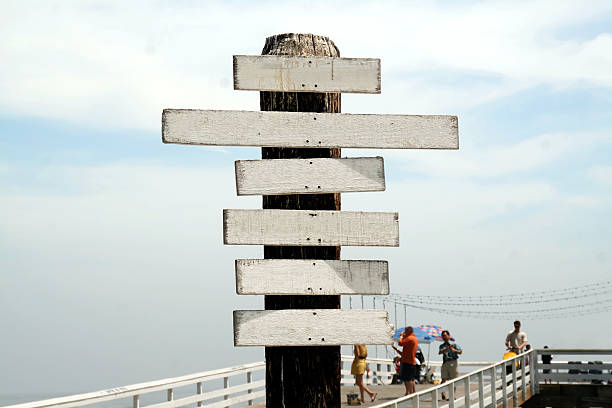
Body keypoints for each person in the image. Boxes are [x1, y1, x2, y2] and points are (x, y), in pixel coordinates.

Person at [438, 330, 462, 401]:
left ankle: (452, 395)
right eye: (443, 336)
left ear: (449, 336)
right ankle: (443, 393)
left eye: (445, 335)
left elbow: (460, 351)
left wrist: (454, 350)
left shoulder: (454, 344)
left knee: (453, 379)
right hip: (445, 362)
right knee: (443, 378)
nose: (444, 337)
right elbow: (440, 352)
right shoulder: (442, 346)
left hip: (453, 362)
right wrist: (447, 348)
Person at [394, 326, 418, 395]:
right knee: (411, 378)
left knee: (407, 379)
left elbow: (400, 343)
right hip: (412, 361)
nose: (404, 333)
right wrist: (397, 350)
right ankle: (412, 392)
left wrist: (401, 336)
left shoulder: (410, 338)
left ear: (409, 331)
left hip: (408, 362)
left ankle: (409, 393)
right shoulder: (414, 338)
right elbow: (405, 351)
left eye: (405, 331)